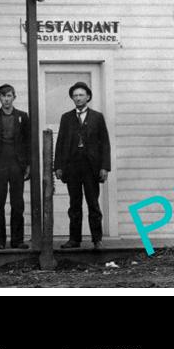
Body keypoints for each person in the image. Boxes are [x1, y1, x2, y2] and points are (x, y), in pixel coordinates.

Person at [54, 81, 111, 250]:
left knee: (93, 203)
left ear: (88, 97)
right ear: (72, 98)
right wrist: (58, 166)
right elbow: (60, 143)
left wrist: (104, 167)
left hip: (91, 167)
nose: (78, 98)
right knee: (74, 204)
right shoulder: (66, 117)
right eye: (75, 95)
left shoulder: (97, 117)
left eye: (81, 95)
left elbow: (105, 144)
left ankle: (97, 239)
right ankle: (74, 239)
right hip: (72, 167)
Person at [0, 84, 31, 249]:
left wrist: (28, 165)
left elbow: (28, 143)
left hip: (17, 163)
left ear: (14, 97)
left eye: (9, 95)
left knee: (17, 203)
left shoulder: (22, 117)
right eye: (3, 96)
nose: (6, 99)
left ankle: (17, 240)